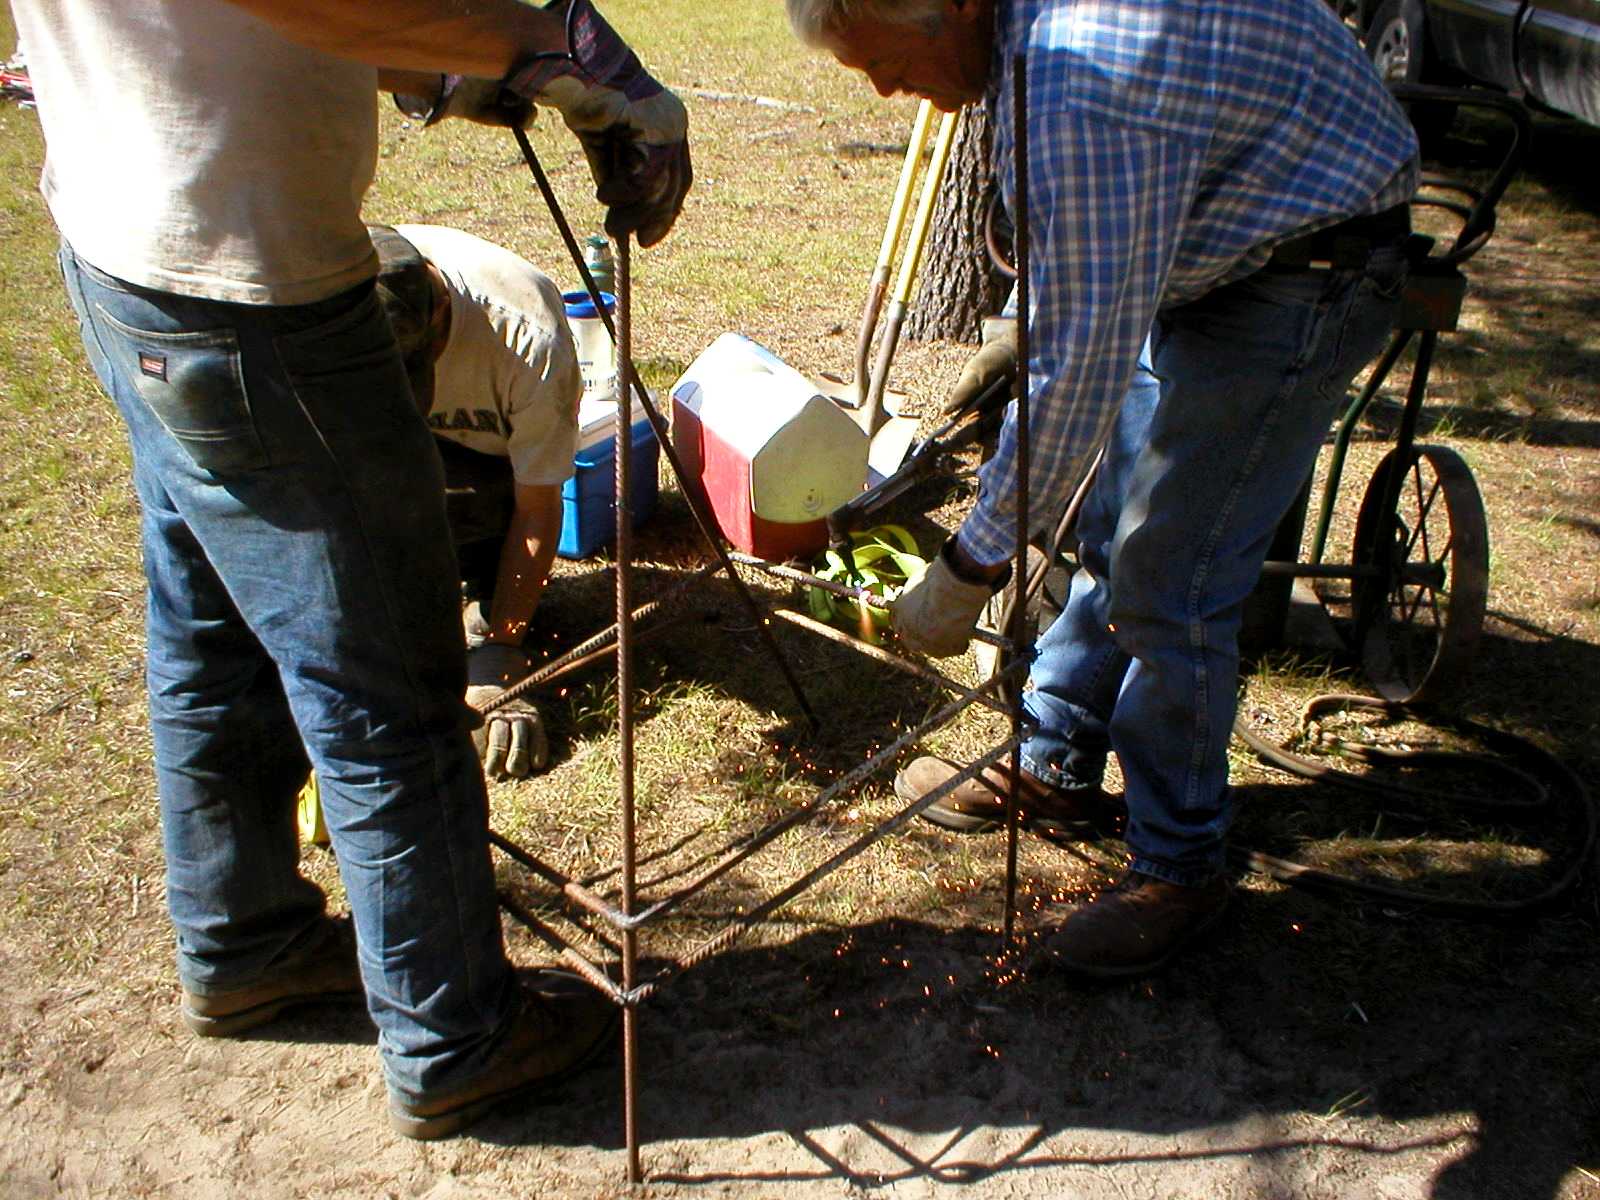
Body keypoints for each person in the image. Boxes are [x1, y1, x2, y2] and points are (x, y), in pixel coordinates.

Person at [11, 0, 689, 1140]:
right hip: (252, 295)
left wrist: (438, 73)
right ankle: (457, 1036)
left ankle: (247, 943)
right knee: (386, 691)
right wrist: (544, 49)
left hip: (126, 256)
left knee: (211, 632)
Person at [788, 0, 1418, 977]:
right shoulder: (1026, 50)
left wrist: (968, 566)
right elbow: (1086, 257)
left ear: (947, 7)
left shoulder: (1076, 74)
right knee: (1105, 522)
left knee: (1175, 572)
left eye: (883, 60)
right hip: (1216, 230)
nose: (881, 88)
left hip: (1309, 252)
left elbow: (1077, 371)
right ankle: (1054, 763)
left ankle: (1180, 863)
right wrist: (1027, 318)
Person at [373, 222, 585, 782]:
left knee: (481, 519)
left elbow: (538, 508)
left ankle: (481, 596)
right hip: (391, 446)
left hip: (486, 465)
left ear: (441, 308)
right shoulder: (330, 297)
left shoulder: (526, 337)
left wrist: (500, 651)